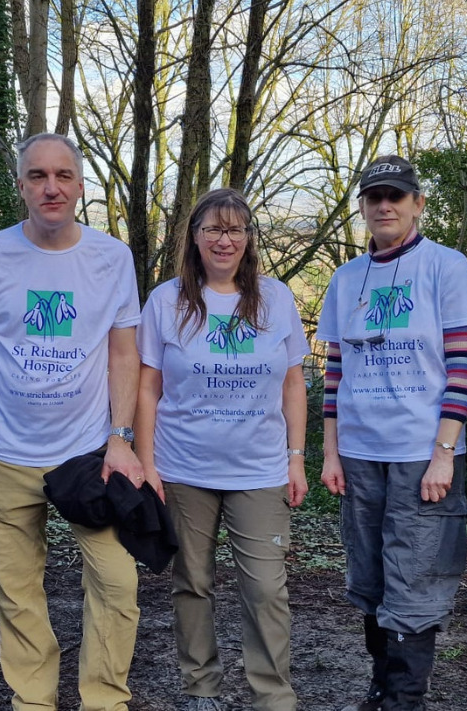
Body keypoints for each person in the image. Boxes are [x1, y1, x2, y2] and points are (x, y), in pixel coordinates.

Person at [0, 132, 144, 711]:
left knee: (116, 582)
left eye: (62, 176)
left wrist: (121, 437)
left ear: (81, 186)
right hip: (5, 451)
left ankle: (104, 699)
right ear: (21, 187)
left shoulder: (111, 258)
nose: (50, 187)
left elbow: (124, 353)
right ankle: (33, 700)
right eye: (37, 176)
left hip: (86, 454)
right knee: (18, 590)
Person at [317, 155, 467, 711]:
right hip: (361, 452)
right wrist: (331, 451)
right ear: (362, 207)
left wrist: (444, 452)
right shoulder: (345, 279)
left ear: (417, 204)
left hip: (422, 453)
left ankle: (404, 699)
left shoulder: (445, 266)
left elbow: (462, 366)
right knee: (369, 577)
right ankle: (381, 684)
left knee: (415, 578)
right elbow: (334, 370)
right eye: (374, 197)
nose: (384, 206)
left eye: (396, 196)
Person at [135, 188, 310, 711]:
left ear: (250, 239)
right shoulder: (166, 300)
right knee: (193, 583)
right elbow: (147, 386)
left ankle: (273, 696)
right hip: (183, 466)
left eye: (235, 229)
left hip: (259, 468)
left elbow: (294, 384)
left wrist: (296, 457)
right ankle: (201, 688)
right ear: (194, 236)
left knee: (266, 590)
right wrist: (146, 462)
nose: (224, 239)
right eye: (213, 228)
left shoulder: (276, 298)